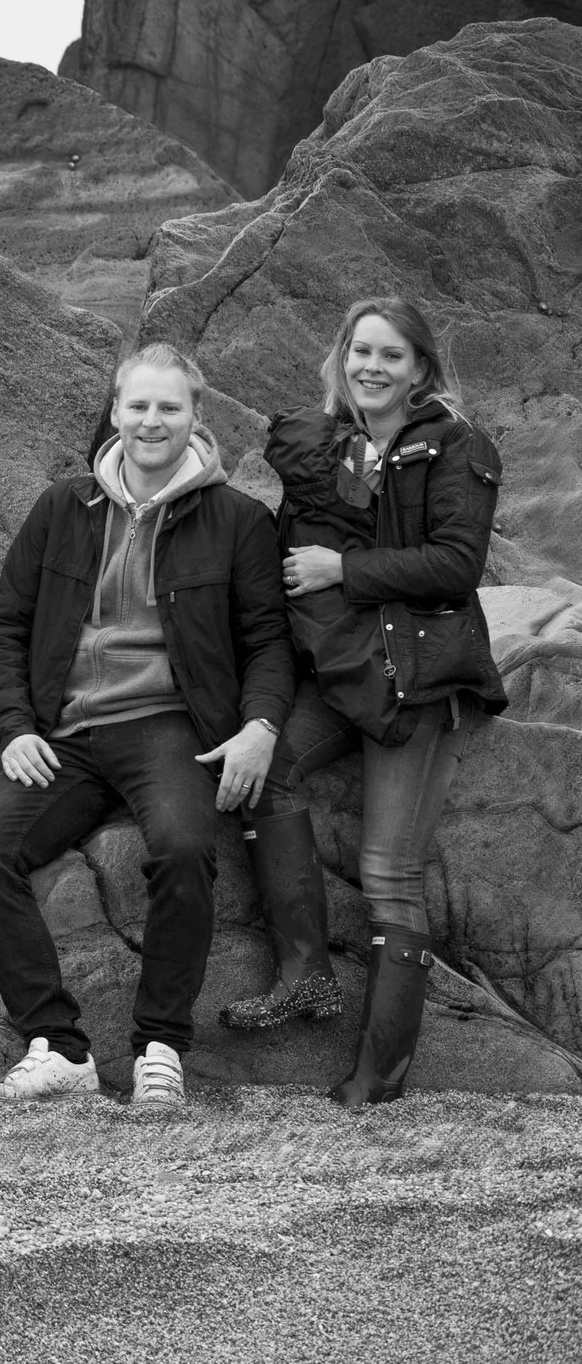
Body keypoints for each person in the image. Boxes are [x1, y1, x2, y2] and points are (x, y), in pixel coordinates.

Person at [0, 344, 291, 1109]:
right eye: (138, 405)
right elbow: (6, 624)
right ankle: (58, 1047)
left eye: (169, 407)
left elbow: (269, 641)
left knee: (182, 847)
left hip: (168, 727)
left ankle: (161, 1045)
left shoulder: (236, 520)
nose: (151, 421)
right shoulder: (62, 507)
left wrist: (260, 726)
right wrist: (13, 729)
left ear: (194, 419)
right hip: (63, 733)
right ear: (114, 411)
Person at [217, 299, 506, 1106]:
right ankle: (306, 971)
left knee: (389, 874)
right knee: (263, 771)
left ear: (421, 368)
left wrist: (344, 570)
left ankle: (377, 1082)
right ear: (341, 359)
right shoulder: (330, 452)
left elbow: (455, 563)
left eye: (390, 355)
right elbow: (282, 558)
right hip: (340, 674)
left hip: (420, 681)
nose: (371, 367)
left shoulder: (458, 446)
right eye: (359, 352)